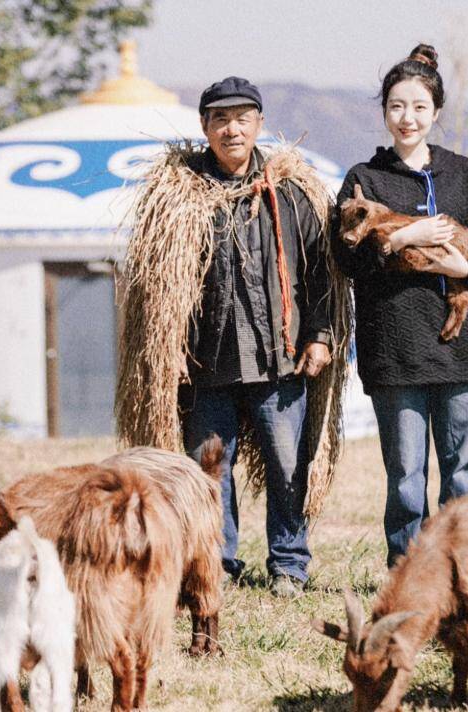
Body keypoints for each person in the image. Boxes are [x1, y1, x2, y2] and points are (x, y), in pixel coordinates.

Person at [116, 76, 347, 599]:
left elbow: (319, 275)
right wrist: (165, 347)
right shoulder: (179, 195)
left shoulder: (291, 194)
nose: (232, 128)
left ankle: (289, 564)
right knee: (208, 470)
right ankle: (217, 561)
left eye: (242, 118)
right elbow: (152, 286)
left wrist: (320, 334)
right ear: (204, 128)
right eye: (220, 119)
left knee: (290, 466)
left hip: (280, 359)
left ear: (259, 124)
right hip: (207, 362)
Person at [332, 44, 468, 568]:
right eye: (395, 106)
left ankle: (465, 572)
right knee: (407, 477)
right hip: (396, 350)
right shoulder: (365, 179)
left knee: (464, 474)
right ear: (384, 111)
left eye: (417, 107)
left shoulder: (465, 174)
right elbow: (347, 263)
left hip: (464, 356)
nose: (406, 117)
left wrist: (466, 271)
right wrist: (402, 235)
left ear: (435, 112)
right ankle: (409, 575)